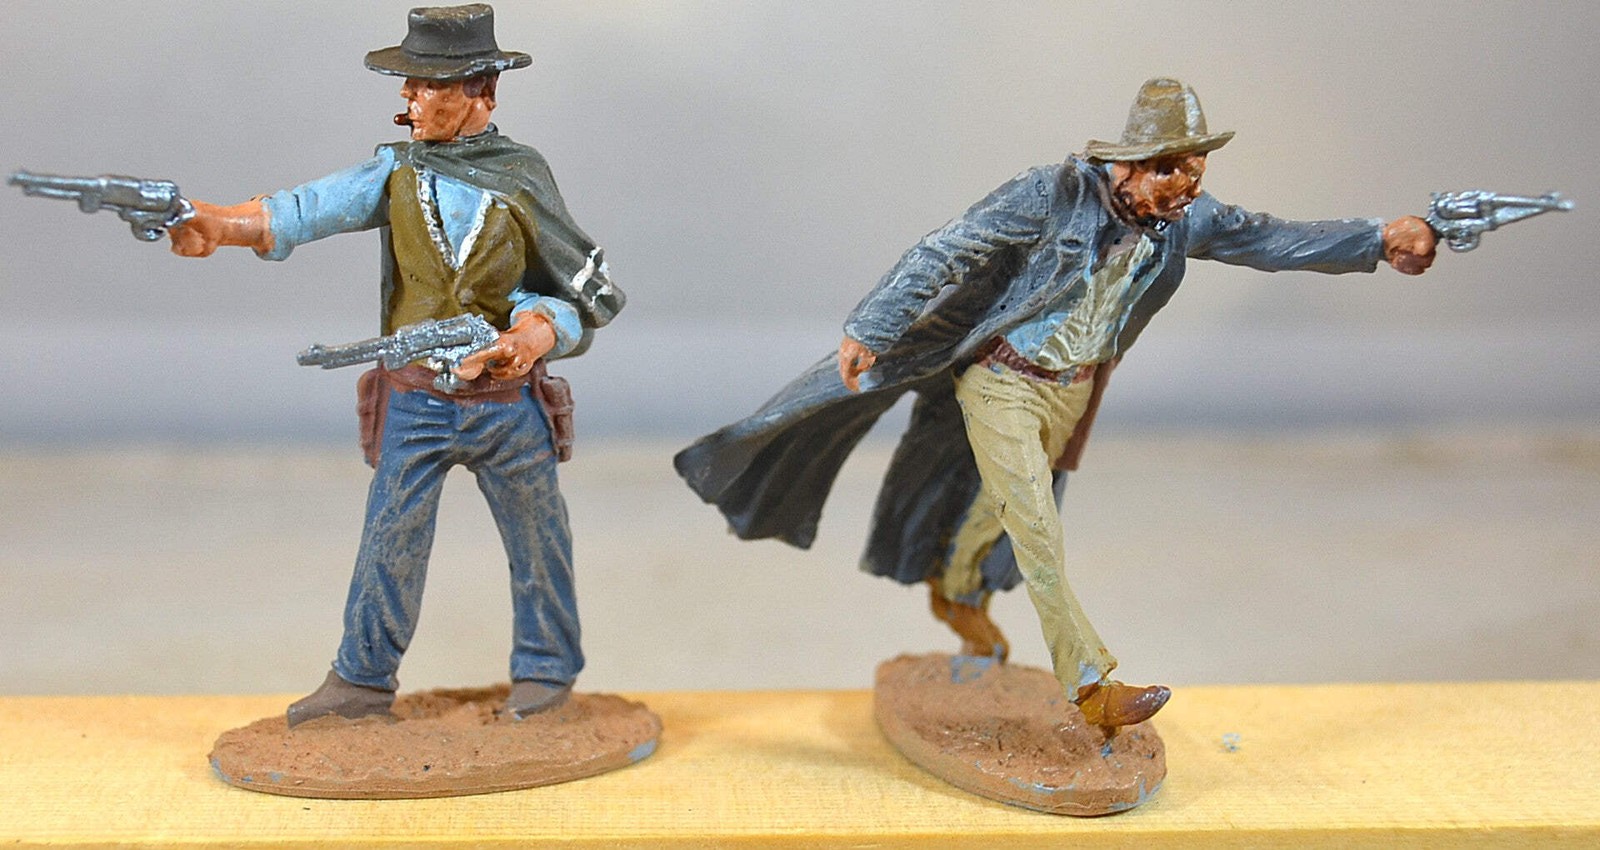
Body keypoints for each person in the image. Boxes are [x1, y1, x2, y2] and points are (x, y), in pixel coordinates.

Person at [675, 77, 1435, 730]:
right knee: (1037, 526)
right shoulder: (1052, 195)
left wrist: (1379, 239)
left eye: (1196, 169)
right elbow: (949, 248)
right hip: (1003, 380)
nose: (1185, 186)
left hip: (1073, 391)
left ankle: (956, 591)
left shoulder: (1184, 218)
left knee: (993, 512)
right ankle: (1092, 686)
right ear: (1128, 164)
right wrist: (873, 325)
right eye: (1169, 169)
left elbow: (1272, 239)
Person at [168, 4, 624, 726]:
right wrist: (220, 224)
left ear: (480, 91)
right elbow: (305, 209)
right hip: (417, 401)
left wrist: (534, 334)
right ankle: (360, 681)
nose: (408, 97)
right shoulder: (397, 171)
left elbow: (574, 292)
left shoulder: (521, 177)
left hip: (508, 407)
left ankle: (547, 670)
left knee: (540, 543)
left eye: (426, 85)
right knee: (390, 539)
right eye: (408, 83)